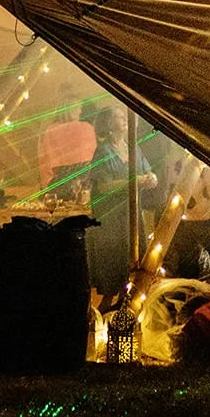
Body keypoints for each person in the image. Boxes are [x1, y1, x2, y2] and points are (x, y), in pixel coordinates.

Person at [83, 109, 158, 308]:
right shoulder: (103, 151)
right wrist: (134, 181)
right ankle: (105, 310)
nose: (125, 119)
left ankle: (123, 307)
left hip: (131, 215)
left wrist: (151, 178)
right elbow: (103, 186)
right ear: (108, 124)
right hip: (111, 217)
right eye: (119, 117)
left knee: (132, 259)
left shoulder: (133, 148)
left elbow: (148, 171)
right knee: (114, 261)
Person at [165, 164, 210, 291]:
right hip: (205, 222)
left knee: (188, 270)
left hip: (184, 224)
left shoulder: (180, 165)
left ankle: (187, 300)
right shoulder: (202, 165)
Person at [37, 100, 97, 191]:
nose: (80, 112)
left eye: (80, 108)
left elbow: (45, 160)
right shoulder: (86, 128)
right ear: (69, 110)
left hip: (60, 180)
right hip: (82, 178)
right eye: (77, 108)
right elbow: (94, 156)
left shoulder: (50, 130)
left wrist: (46, 184)